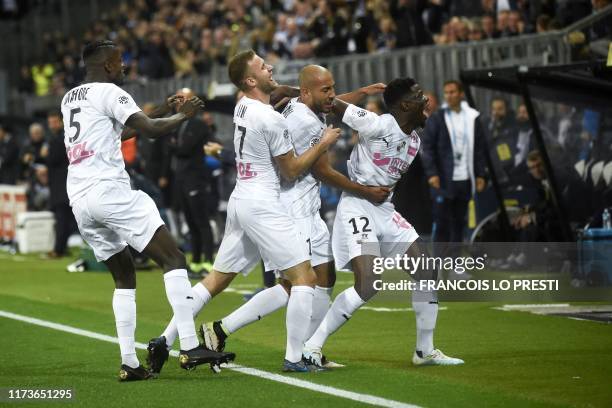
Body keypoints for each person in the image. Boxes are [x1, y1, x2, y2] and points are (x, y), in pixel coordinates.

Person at [147, 50, 341, 374]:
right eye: (264, 67)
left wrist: (292, 91)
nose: (271, 68)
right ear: (251, 80)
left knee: (214, 281)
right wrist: (323, 143)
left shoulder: (243, 105)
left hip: (241, 201)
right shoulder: (270, 118)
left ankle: (164, 341)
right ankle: (295, 358)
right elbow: (291, 170)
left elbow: (273, 93)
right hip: (264, 205)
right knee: (304, 279)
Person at [61, 40, 234, 382]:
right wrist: (183, 115)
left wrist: (156, 111)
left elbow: (116, 132)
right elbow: (151, 133)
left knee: (124, 276)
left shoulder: (70, 98)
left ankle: (130, 363)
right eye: (121, 62)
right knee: (174, 258)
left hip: (80, 198)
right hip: (109, 190)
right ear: (108, 66)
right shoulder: (112, 92)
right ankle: (188, 345)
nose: (124, 68)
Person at [199, 66, 391, 366]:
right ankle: (228, 331)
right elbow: (322, 171)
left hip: (309, 208)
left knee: (323, 278)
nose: (332, 96)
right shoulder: (305, 122)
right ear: (306, 92)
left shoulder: (303, 104)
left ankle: (310, 350)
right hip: (292, 208)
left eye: (332, 88)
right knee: (297, 284)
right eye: (325, 90)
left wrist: (362, 93)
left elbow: (328, 99)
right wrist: (363, 190)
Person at [302, 77, 464, 367]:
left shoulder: (414, 140)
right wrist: (296, 92)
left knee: (426, 270)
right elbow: (331, 104)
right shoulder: (377, 124)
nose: (427, 101)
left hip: (385, 211)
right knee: (369, 283)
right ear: (404, 104)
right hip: (358, 208)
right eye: (419, 96)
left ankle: (424, 351)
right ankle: (312, 347)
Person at [421, 80, 486, 245]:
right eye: (446, 93)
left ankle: (455, 264)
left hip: (464, 177)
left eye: (453, 92)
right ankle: (438, 265)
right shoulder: (437, 118)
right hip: (443, 178)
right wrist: (432, 173)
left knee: (459, 223)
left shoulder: (472, 117)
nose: (449, 96)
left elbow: (479, 148)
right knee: (441, 223)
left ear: (461, 94)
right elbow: (428, 148)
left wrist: (480, 174)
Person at [169, 87, 216, 274]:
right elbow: (174, 146)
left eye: (184, 99)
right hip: (181, 178)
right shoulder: (180, 124)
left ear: (192, 102)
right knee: (191, 221)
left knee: (202, 221)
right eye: (178, 99)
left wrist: (174, 145)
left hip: (195, 179)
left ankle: (208, 261)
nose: (179, 102)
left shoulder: (197, 124)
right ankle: (196, 261)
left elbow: (183, 149)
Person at [45, 110, 76, 258]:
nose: (52, 125)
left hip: (61, 183)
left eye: (54, 122)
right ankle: (61, 247)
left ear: (62, 121)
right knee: (67, 218)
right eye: (50, 122)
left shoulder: (58, 139)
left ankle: (58, 249)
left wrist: (44, 155)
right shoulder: (68, 135)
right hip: (67, 181)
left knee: (62, 217)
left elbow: (53, 160)